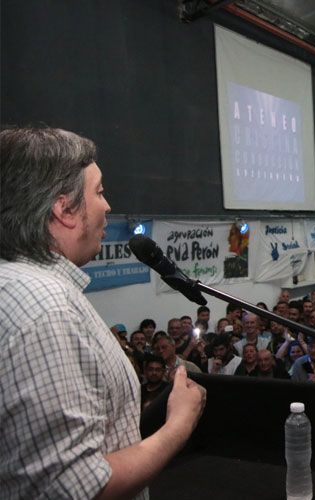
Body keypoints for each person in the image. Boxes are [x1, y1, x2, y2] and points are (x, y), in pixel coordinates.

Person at [0, 127, 205, 498]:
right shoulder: (46, 308)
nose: (107, 205)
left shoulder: (17, 288)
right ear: (64, 209)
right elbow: (76, 488)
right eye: (99, 191)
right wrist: (180, 423)